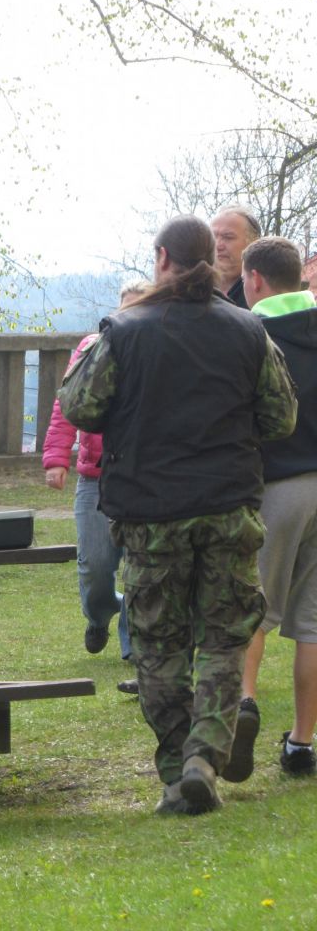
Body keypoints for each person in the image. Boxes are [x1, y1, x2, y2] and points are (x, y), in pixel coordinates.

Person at [59, 214, 297, 815]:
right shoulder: (249, 330)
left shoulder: (124, 330)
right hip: (228, 507)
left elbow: (80, 405)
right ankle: (203, 758)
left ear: (162, 258)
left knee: (158, 644)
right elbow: (282, 417)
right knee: (223, 638)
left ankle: (177, 768)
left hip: (150, 511)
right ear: (210, 261)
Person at [227, 236, 317, 779]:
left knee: (253, 605)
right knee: (313, 625)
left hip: (277, 484)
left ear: (254, 279)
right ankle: (302, 744)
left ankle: (244, 700)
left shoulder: (249, 335)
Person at [42, 280, 144, 684]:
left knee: (141, 565)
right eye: (126, 309)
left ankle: (133, 645)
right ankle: (100, 614)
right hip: (95, 478)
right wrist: (56, 459)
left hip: (141, 478)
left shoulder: (159, 350)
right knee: (96, 567)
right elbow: (66, 405)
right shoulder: (92, 348)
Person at [211, 206, 261, 308]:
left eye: (228, 237)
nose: (218, 245)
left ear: (253, 243)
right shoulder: (191, 291)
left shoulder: (263, 294)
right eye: (213, 237)